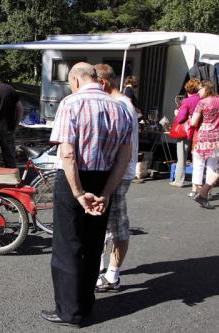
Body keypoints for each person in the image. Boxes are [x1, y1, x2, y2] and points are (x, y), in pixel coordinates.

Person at [41, 62, 132, 327]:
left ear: (77, 80)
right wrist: (105, 193)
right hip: (104, 177)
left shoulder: (71, 103)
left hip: (74, 179)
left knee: (68, 245)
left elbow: (67, 153)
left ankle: (70, 312)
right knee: (93, 245)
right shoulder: (121, 106)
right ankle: (86, 303)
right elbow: (124, 157)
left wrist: (79, 193)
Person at [92, 64, 138, 293]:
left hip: (118, 173)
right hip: (113, 172)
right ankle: (101, 270)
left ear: (103, 83)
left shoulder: (121, 105)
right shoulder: (119, 104)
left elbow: (123, 149)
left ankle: (113, 276)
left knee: (117, 224)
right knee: (105, 222)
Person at [190, 80, 219, 208]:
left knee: (198, 163)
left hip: (203, 136)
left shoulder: (202, 103)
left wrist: (190, 120)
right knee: (213, 165)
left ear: (207, 89)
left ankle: (196, 190)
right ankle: (208, 192)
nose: (198, 92)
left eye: (200, 89)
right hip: (218, 137)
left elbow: (194, 122)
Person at [170, 79, 201, 188]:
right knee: (198, 158)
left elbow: (180, 118)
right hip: (198, 131)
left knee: (182, 157)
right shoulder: (201, 99)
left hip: (186, 131)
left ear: (187, 88)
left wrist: (176, 113)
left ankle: (179, 180)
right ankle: (198, 183)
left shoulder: (187, 101)